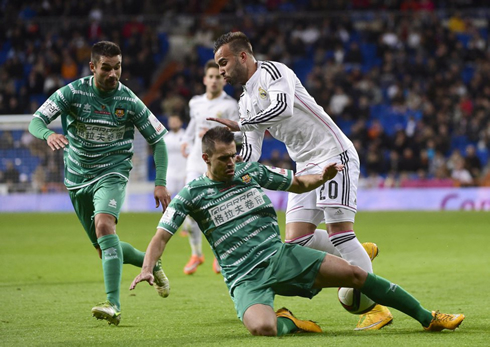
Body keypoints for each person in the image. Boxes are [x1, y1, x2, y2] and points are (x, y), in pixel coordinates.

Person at [130, 127, 465, 336]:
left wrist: (322, 176)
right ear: (205, 158)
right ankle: (291, 322)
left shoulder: (250, 172)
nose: (231, 163)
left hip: (280, 256)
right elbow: (161, 236)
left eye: (233, 156)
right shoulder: (192, 194)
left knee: (355, 274)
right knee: (263, 328)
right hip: (244, 278)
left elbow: (297, 182)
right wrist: (148, 268)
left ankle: (427, 316)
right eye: (223, 159)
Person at [209, 31, 391, 330]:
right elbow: (253, 151)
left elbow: (284, 108)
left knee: (340, 233)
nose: (221, 70)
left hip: (333, 154)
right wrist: (233, 170)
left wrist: (242, 125)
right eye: (218, 65)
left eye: (224, 62)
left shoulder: (274, 72)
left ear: (243, 56)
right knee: (297, 240)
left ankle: (375, 308)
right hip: (305, 165)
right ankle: (357, 255)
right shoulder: (244, 102)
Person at [28, 41, 171, 327]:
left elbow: (157, 141)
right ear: (93, 67)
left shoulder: (128, 100)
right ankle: (151, 263)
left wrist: (160, 182)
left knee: (105, 226)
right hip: (77, 178)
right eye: (106, 68)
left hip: (113, 172)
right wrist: (47, 135)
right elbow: (37, 120)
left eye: (117, 67)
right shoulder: (72, 92)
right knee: (104, 247)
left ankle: (113, 304)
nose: (113, 74)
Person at [179, 59, 239, 275]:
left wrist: (221, 139)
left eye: (218, 77)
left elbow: (239, 133)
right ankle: (196, 254)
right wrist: (185, 140)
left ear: (223, 80)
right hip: (195, 162)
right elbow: (194, 124)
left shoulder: (230, 106)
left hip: (218, 165)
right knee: (189, 209)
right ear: (205, 79)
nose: (214, 81)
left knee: (219, 210)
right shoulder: (195, 102)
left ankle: (220, 255)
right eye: (210, 77)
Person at [163, 114, 187, 196]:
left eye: (175, 121)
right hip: (170, 171)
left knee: (184, 196)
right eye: (171, 121)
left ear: (180, 122)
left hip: (184, 171)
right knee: (167, 195)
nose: (173, 123)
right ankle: (167, 209)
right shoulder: (165, 139)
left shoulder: (186, 137)